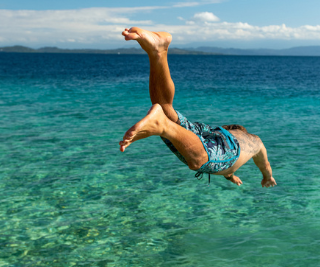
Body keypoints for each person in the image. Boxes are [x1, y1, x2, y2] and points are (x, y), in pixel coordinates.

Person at [115, 28, 276, 188]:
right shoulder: (254, 141)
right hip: (227, 147)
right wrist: (267, 177)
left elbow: (221, 157)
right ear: (242, 131)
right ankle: (162, 125)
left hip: (204, 132)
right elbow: (265, 165)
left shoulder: (220, 135)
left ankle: (158, 51)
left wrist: (231, 177)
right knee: (199, 161)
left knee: (166, 109)